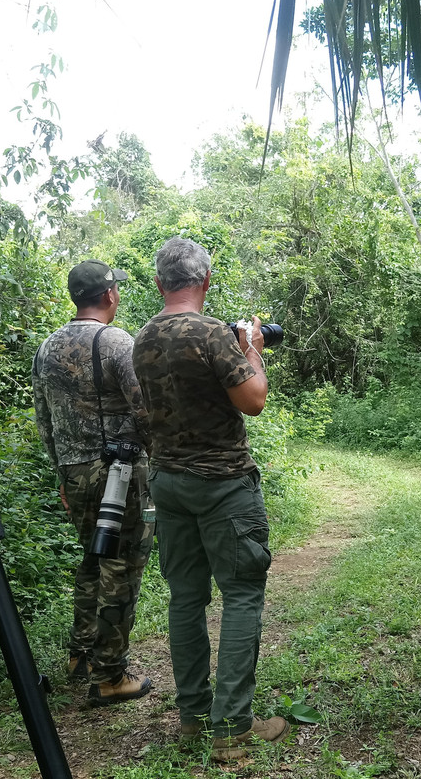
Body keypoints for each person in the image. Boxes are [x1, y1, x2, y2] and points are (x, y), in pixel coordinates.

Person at [132, 237, 290, 763]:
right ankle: (233, 728)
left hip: (169, 482)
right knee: (241, 594)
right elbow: (253, 400)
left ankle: (193, 718)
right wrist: (252, 349)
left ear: (160, 283)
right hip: (222, 483)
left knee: (185, 597)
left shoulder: (142, 337)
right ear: (205, 280)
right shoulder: (212, 333)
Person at [32, 259, 154, 707]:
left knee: (93, 558)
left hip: (74, 471)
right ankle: (109, 676)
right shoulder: (116, 341)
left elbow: (44, 420)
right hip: (118, 474)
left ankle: (81, 654)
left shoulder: (46, 347)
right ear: (108, 295)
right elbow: (145, 411)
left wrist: (62, 474)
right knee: (121, 566)